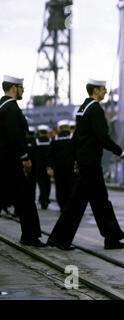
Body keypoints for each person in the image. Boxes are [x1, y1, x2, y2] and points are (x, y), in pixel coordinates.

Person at [47, 79, 124, 250]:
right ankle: (59, 239)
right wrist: (121, 153)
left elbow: (77, 138)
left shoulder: (82, 109)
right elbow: (103, 137)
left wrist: (77, 160)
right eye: (103, 89)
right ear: (95, 91)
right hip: (90, 165)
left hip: (86, 163)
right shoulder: (95, 109)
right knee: (78, 204)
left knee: (100, 202)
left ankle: (111, 238)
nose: (106, 91)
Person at [0, 75, 46, 247]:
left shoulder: (1, 106)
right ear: (14, 88)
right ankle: (30, 236)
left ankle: (30, 235)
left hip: (3, 162)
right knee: (26, 199)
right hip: (11, 162)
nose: (23, 90)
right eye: (21, 87)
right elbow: (15, 137)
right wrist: (24, 157)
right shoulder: (11, 108)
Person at [47, 119, 75, 212]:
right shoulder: (73, 137)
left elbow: (51, 154)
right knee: (70, 186)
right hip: (70, 167)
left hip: (58, 168)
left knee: (60, 187)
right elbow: (77, 152)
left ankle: (62, 205)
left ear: (60, 128)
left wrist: (50, 167)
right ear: (67, 127)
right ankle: (70, 205)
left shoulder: (55, 139)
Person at [35, 124, 52, 209]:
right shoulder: (50, 141)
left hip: (39, 167)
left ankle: (42, 199)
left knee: (41, 184)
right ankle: (46, 198)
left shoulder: (36, 141)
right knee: (47, 183)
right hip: (48, 166)